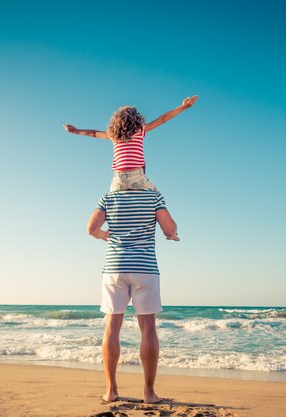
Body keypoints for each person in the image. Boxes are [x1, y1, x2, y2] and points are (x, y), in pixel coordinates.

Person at [86, 187, 178, 404]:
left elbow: (91, 229)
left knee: (112, 326)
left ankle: (110, 391)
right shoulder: (154, 196)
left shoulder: (108, 197)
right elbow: (169, 228)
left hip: (114, 268)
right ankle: (149, 393)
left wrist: (106, 235)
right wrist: (171, 235)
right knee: (147, 328)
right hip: (144, 269)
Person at [63, 95, 198, 194]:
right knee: (156, 197)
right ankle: (171, 233)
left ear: (115, 122)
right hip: (137, 176)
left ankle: (108, 229)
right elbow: (163, 119)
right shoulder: (140, 130)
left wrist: (75, 131)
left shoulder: (113, 135)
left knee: (111, 204)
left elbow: (94, 133)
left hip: (118, 179)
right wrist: (183, 107)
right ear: (136, 119)